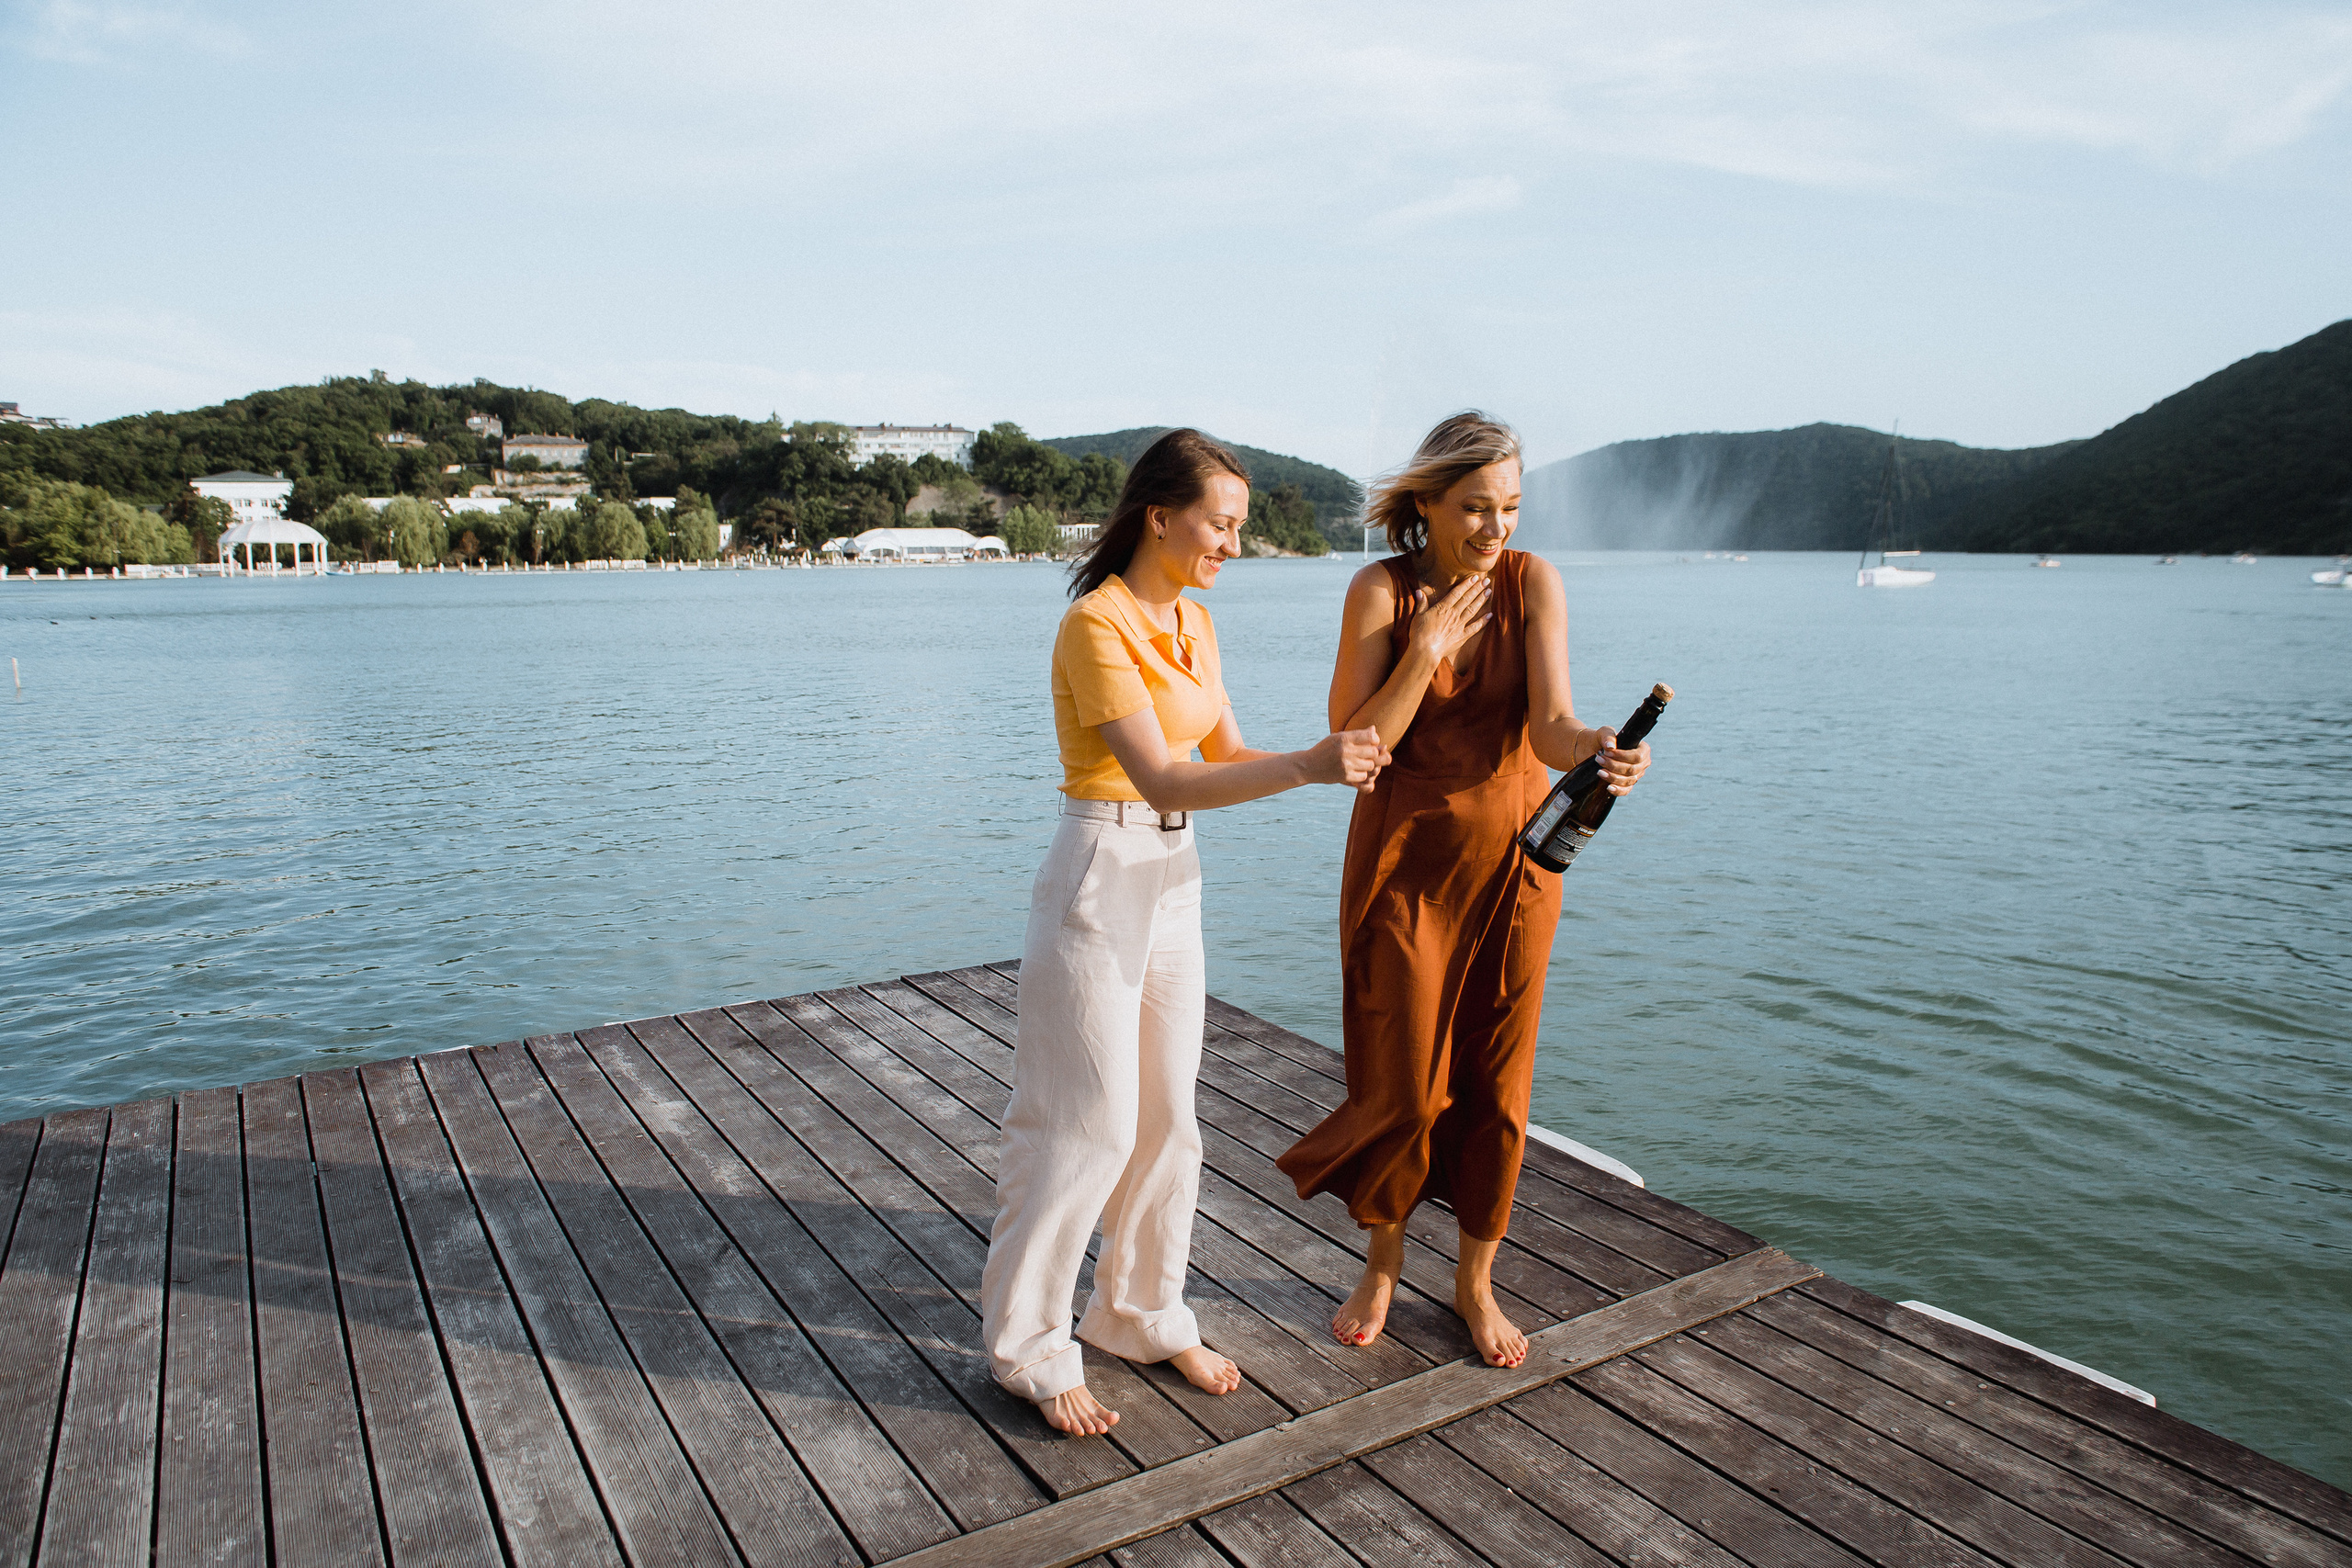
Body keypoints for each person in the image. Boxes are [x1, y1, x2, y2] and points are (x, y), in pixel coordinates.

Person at [981, 428, 1388, 1435]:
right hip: (1098, 865)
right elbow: (1161, 774)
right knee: (1083, 1125)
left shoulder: (1194, 624)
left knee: (1169, 1117)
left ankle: (1139, 1314)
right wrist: (1309, 767)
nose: (1232, 546)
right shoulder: (1095, 623)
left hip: (1174, 874)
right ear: (1158, 515)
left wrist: (1317, 756)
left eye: (1238, 528)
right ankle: (1027, 1347)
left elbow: (1226, 754)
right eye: (1220, 524)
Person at [1274, 412, 1651, 1368]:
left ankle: (1474, 1282)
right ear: (1429, 505)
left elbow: (1553, 727)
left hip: (1516, 874)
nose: (1496, 528)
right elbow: (1359, 747)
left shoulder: (1535, 584)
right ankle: (1384, 1264)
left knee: (1497, 1085)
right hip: (1403, 869)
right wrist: (1425, 649)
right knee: (1400, 1083)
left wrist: (1600, 749)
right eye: (1476, 508)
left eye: (1511, 508)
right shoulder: (1380, 589)